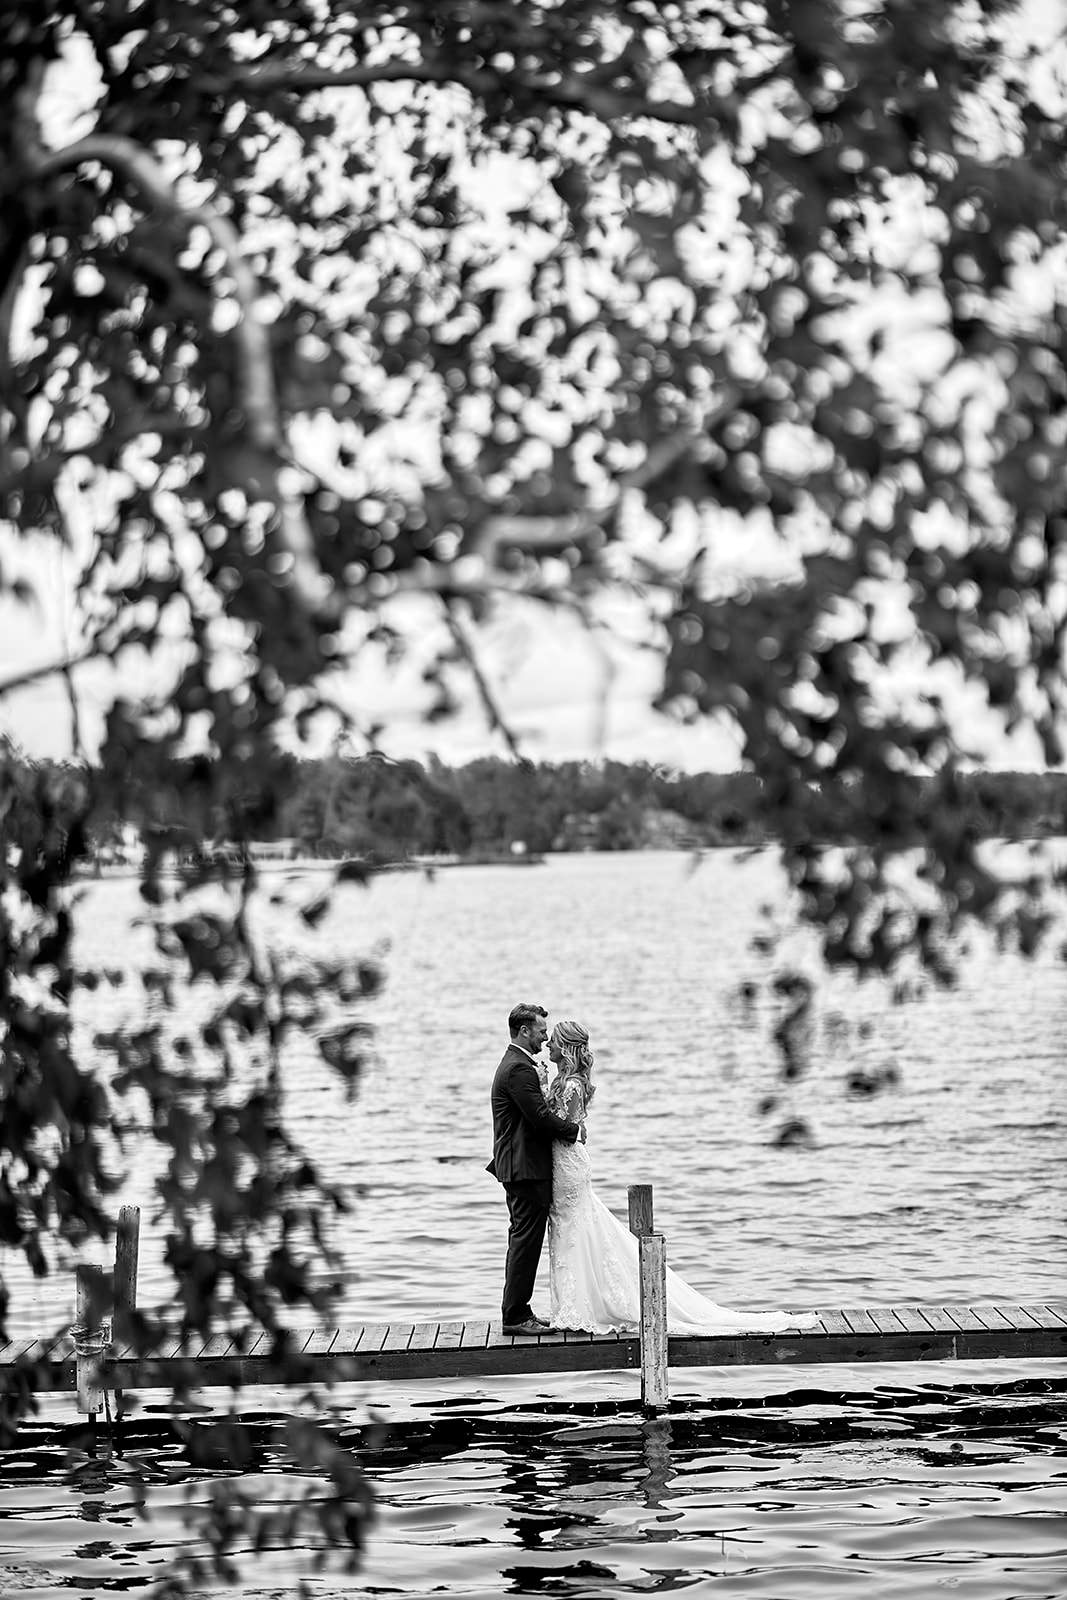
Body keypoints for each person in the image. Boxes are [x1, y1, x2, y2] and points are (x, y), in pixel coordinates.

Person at [544, 1019, 818, 1335]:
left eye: (553, 1041)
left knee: (575, 1229)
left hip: (568, 1166)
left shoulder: (572, 1086)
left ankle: (581, 1307)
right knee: (574, 1231)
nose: (548, 1046)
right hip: (564, 1165)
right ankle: (576, 1304)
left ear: (565, 1046)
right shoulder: (565, 1082)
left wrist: (540, 1106)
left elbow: (566, 1132)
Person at [487, 1002, 584, 1336]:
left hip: (523, 1167)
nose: (546, 1036)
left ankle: (521, 1309)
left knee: (524, 1239)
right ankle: (514, 1316)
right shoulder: (518, 1069)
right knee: (525, 1241)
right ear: (524, 1030)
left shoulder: (517, 1065)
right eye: (542, 1030)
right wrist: (575, 1131)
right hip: (525, 1168)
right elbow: (539, 1119)